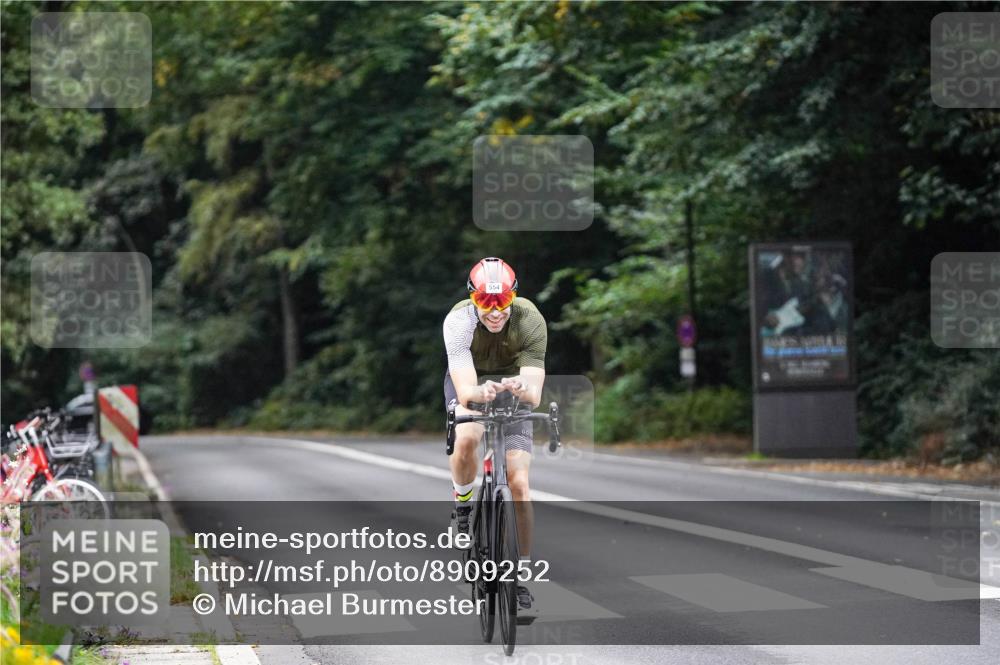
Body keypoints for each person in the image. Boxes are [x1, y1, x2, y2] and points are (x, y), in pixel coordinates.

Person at [442, 257, 547, 612]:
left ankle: (520, 575)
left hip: (512, 389)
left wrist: (519, 386)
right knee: (468, 437)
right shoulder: (458, 320)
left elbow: (534, 393)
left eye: (502, 302)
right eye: (485, 303)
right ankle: (462, 506)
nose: (495, 311)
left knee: (518, 483)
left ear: (513, 297)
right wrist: (478, 395)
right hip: (471, 383)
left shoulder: (530, 318)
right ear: (472, 299)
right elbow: (465, 387)